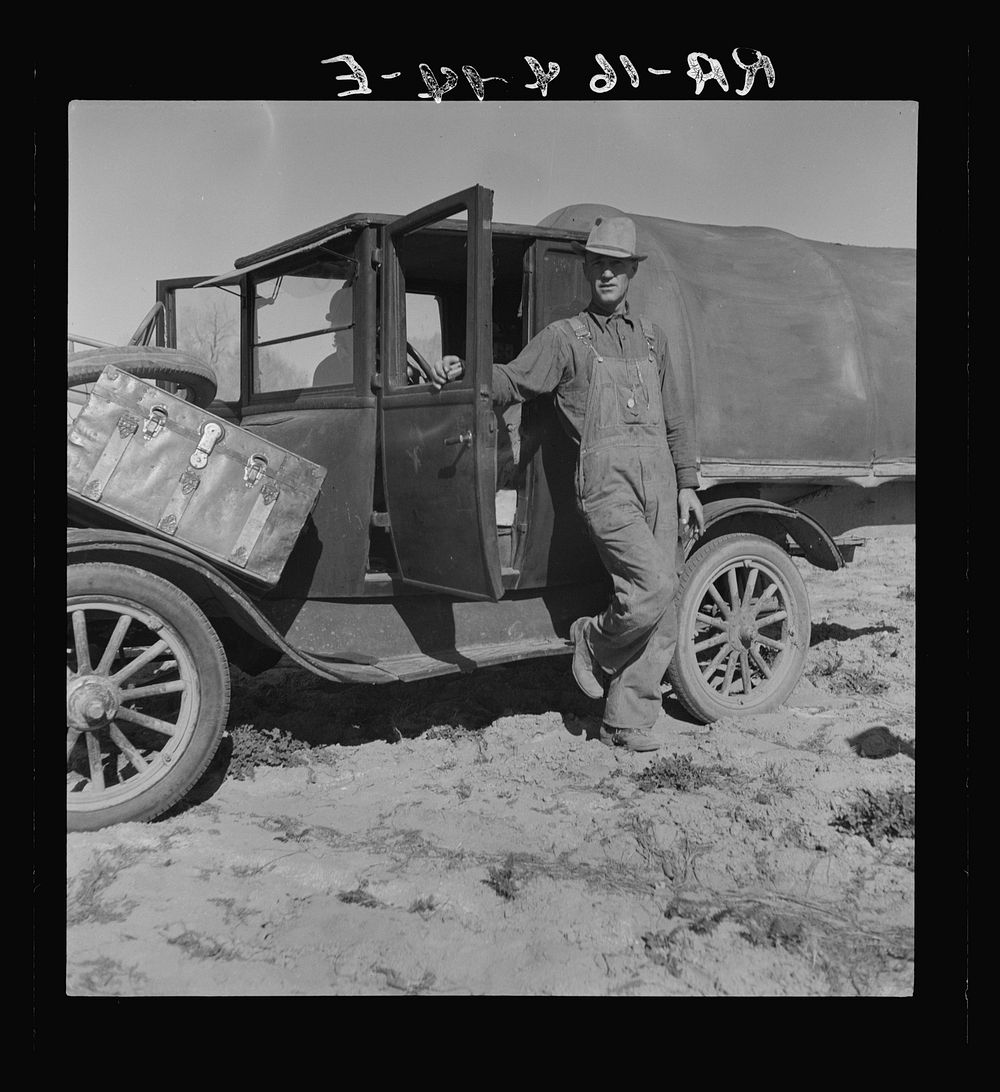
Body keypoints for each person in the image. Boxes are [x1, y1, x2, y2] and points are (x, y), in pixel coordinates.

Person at [422, 216, 705, 752]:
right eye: (596, 263)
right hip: (606, 486)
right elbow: (509, 380)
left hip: (663, 485)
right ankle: (591, 639)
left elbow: (676, 417)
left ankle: (626, 719)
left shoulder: (653, 339)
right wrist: (462, 373)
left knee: (664, 611)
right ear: (586, 270)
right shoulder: (563, 339)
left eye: (615, 265)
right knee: (653, 587)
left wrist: (688, 484)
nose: (605, 273)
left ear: (630, 273)